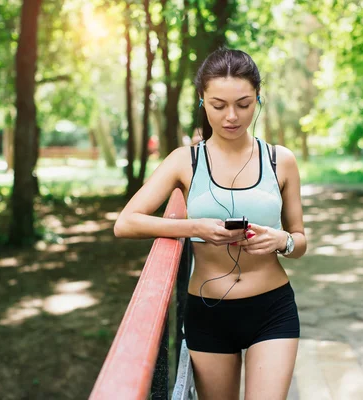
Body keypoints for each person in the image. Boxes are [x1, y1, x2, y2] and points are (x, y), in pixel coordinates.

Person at [114, 48, 307, 400]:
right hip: (208, 311)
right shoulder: (184, 161)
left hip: (272, 309)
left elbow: (300, 241)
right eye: (219, 105)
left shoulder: (282, 160)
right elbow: (125, 222)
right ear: (202, 100)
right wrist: (195, 228)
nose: (231, 116)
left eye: (244, 104)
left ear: (258, 99)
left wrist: (281, 240)